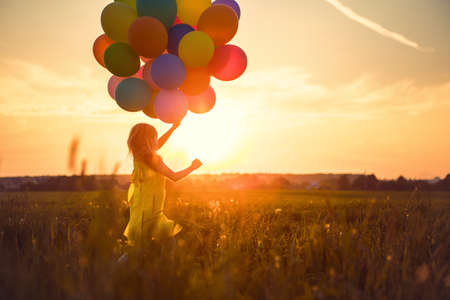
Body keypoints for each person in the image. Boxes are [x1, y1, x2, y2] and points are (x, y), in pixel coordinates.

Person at [118, 122, 202, 264]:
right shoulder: (152, 159)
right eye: (154, 137)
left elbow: (157, 145)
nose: (156, 140)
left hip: (143, 206)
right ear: (148, 140)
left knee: (151, 246)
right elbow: (174, 177)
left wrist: (172, 129)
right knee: (145, 248)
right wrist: (192, 167)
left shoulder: (139, 155)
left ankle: (160, 271)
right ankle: (116, 271)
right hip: (150, 209)